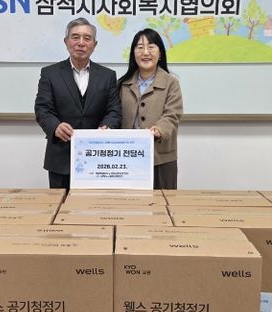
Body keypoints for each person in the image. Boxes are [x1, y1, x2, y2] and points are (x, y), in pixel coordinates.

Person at [34, 17, 122, 189]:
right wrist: (55, 126)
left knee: (95, 205)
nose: (81, 43)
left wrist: (107, 126)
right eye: (75, 37)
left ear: (94, 45)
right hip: (60, 157)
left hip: (98, 159)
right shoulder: (50, 73)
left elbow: (114, 110)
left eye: (87, 38)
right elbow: (42, 108)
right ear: (66, 41)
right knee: (60, 205)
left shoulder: (108, 75)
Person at [118, 28, 183, 189]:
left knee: (162, 201)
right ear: (134, 54)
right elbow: (114, 114)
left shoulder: (171, 83)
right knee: (129, 201)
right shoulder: (122, 84)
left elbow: (173, 115)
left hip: (161, 157)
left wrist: (159, 129)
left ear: (160, 53)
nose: (145, 52)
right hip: (127, 156)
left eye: (151, 47)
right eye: (140, 47)